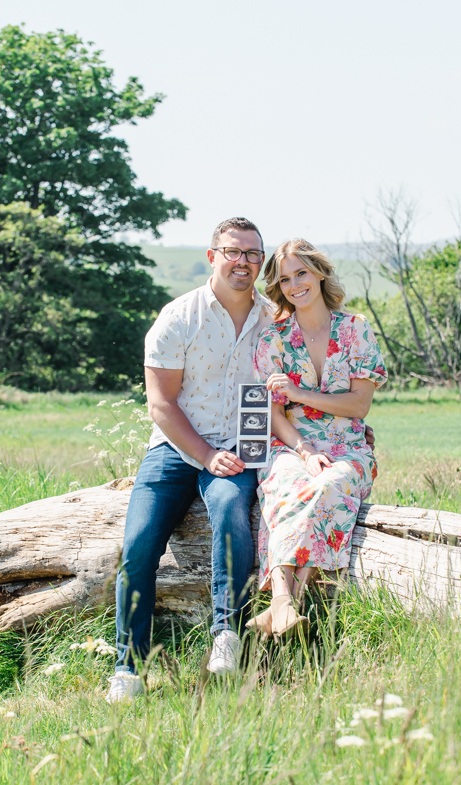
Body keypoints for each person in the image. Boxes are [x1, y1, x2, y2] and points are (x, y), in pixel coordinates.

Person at [107, 217, 274, 703]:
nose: (242, 261)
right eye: (233, 251)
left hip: (240, 449)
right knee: (137, 544)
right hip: (175, 449)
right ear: (212, 256)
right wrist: (204, 454)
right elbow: (160, 404)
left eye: (252, 254)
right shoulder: (178, 318)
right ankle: (129, 668)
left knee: (229, 509)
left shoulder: (271, 320)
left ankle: (227, 635)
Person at [248, 238, 387, 637]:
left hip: (349, 447)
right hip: (291, 443)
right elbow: (272, 416)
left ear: (320, 272)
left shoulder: (355, 330)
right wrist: (305, 450)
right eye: (285, 279)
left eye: (301, 273)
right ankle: (285, 604)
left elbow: (359, 406)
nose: (294, 285)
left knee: (331, 485)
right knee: (286, 485)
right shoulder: (272, 340)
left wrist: (299, 394)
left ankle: (280, 603)